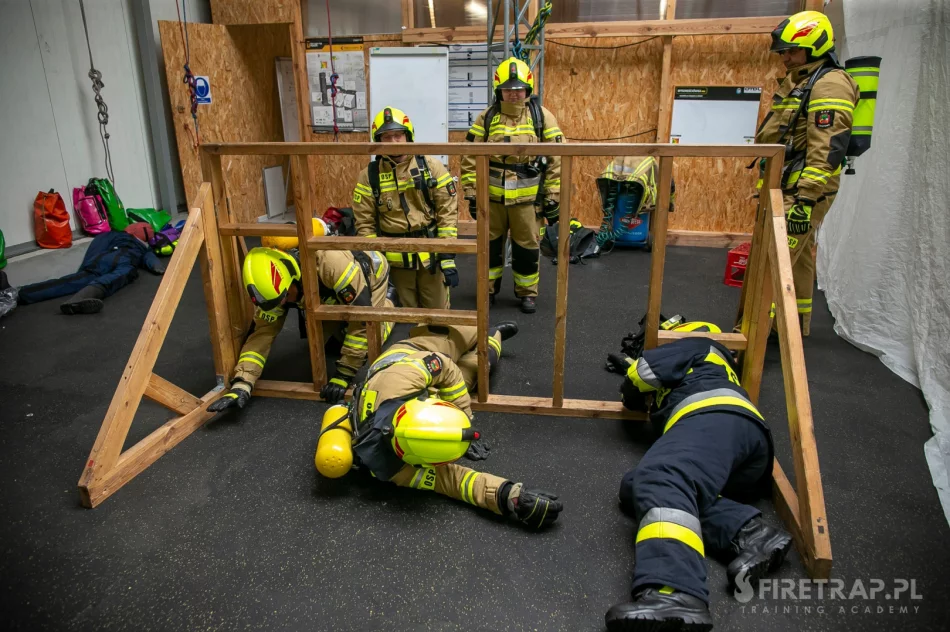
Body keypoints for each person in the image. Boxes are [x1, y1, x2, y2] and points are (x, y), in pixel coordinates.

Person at [602, 336, 792, 632]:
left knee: (662, 476)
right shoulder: (715, 365)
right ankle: (750, 533)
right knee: (636, 486)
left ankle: (675, 590)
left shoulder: (698, 342)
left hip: (713, 418)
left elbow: (645, 373)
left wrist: (630, 383)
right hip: (744, 448)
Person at [321, 323, 561, 529]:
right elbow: (452, 482)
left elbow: (446, 368)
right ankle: (495, 336)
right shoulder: (395, 470)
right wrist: (509, 496)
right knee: (479, 369)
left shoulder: (402, 378)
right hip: (408, 390)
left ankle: (486, 329)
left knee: (460, 335)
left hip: (417, 351)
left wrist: (465, 421)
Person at [207, 231, 394, 412]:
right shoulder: (277, 286)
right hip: (325, 291)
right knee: (330, 344)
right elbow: (262, 333)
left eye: (286, 296)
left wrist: (344, 374)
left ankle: (389, 305)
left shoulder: (332, 265)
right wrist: (242, 383)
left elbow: (362, 320)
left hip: (370, 274)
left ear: (293, 277)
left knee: (367, 336)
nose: (285, 303)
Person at [756, 10, 858, 336]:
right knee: (796, 260)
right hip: (789, 187)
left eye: (791, 50)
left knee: (773, 262)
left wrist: (805, 200)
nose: (785, 57)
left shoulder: (830, 85)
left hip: (804, 192)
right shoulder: (802, 82)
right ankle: (791, 331)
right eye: (783, 51)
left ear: (814, 47)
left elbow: (826, 147)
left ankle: (755, 334)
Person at [460, 57, 564, 314]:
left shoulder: (542, 117)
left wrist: (552, 197)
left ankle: (528, 293)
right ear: (499, 90)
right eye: (508, 89)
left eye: (518, 89)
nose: (514, 94)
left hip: (528, 204)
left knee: (527, 249)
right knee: (490, 248)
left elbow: (557, 159)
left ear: (527, 89)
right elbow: (469, 157)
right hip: (492, 201)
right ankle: (488, 290)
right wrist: (473, 195)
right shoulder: (487, 117)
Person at [351, 107, 459, 310]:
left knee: (438, 315)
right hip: (395, 264)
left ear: (408, 136)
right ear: (379, 141)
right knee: (403, 317)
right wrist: (374, 262)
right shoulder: (369, 176)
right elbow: (364, 223)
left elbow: (448, 212)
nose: (393, 142)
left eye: (398, 135)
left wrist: (447, 254)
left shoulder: (431, 167)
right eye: (387, 137)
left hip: (431, 258)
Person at [17, 223, 165, 314]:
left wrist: (87, 266)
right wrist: (159, 269)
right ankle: (80, 298)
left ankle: (20, 293)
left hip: (102, 260)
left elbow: (97, 246)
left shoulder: (111, 235)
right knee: (117, 277)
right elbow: (151, 260)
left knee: (69, 282)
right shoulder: (143, 247)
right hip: (125, 261)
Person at [373, 322, 518, 394]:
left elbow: (447, 369)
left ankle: (490, 332)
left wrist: (465, 419)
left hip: (421, 352)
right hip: (413, 375)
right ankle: (492, 334)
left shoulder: (417, 371)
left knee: (457, 341)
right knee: (470, 372)